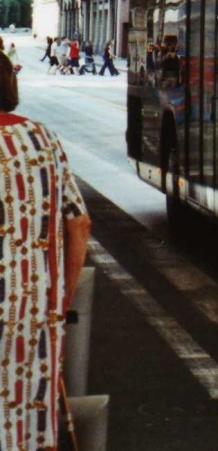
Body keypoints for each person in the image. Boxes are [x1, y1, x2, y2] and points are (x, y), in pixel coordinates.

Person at [0, 51, 91, 451]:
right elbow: (79, 223)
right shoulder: (42, 138)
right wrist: (62, 298)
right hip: (34, 313)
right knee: (28, 427)